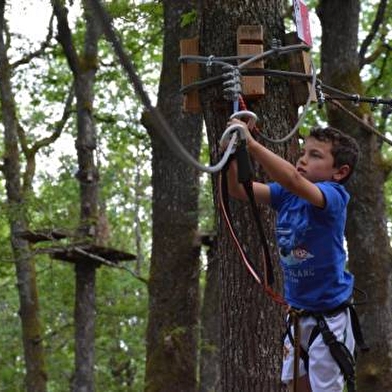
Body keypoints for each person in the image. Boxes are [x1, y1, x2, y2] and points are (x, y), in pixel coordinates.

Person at [223, 119, 360, 392]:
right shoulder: (286, 195)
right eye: (303, 153)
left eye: (315, 155)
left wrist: (252, 145)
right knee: (296, 387)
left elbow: (294, 179)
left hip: (330, 316)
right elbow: (238, 189)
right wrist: (231, 153)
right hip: (298, 315)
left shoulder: (333, 197)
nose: (303, 160)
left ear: (339, 172)